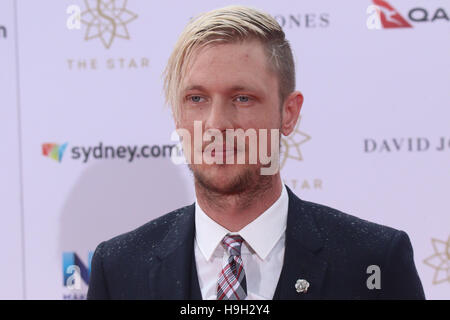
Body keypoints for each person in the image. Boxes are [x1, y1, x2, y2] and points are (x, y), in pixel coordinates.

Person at [87, 5, 425, 300]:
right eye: (197, 99)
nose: (216, 124)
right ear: (177, 115)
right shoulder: (118, 269)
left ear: (288, 113)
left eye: (242, 98)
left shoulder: (375, 260)